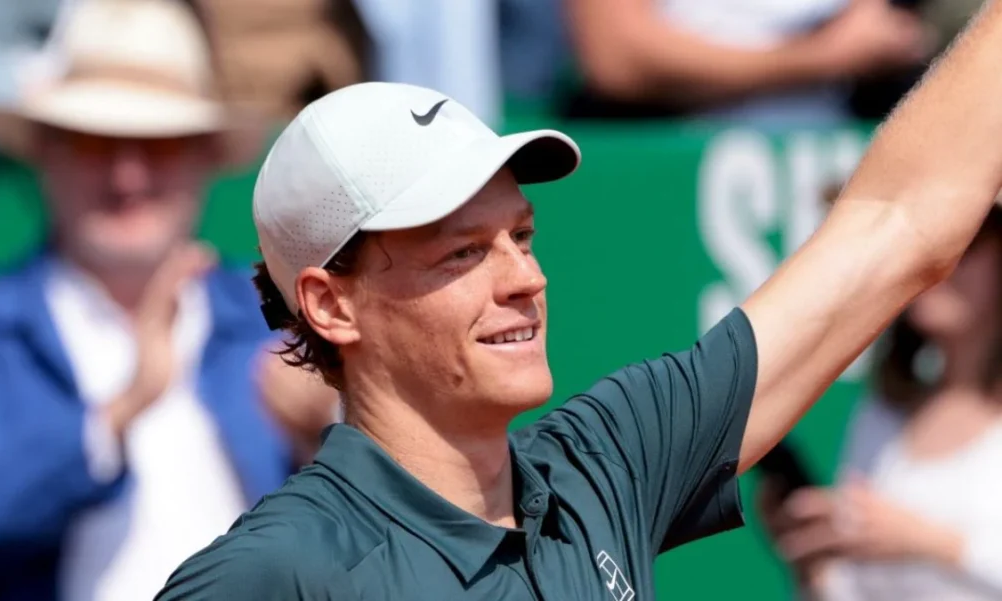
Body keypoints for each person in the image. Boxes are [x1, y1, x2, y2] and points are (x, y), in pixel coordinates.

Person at [158, 1, 1002, 598]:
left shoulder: (607, 461)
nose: (524, 278)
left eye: (521, 238)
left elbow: (900, 221)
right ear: (331, 305)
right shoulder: (274, 573)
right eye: (462, 252)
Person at [0, 1, 337, 600]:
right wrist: (119, 414)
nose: (128, 176)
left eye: (159, 145)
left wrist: (333, 434)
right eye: (95, 143)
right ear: (46, 152)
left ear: (205, 156)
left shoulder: (279, 324)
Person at [758, 204, 1002, 600]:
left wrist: (927, 542)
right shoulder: (880, 413)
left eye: (967, 241)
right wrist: (814, 565)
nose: (938, 259)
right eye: (926, 241)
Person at [562, 0, 929, 125]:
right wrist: (823, 56)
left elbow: (897, 29)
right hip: (669, 178)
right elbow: (618, 62)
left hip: (839, 171)